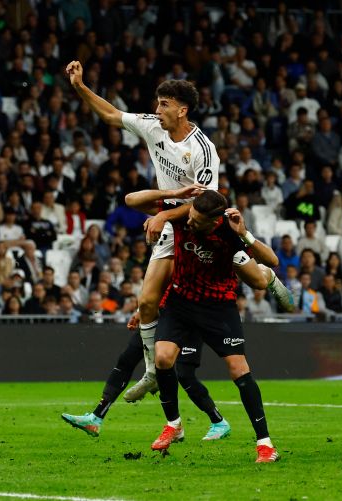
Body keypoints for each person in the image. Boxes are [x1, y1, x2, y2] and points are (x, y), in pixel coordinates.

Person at [66, 60, 293, 402]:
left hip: (205, 224)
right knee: (145, 302)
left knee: (257, 281)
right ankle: (151, 373)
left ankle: (268, 277)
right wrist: (80, 87)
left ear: (183, 110)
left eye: (165, 104)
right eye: (158, 103)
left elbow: (208, 202)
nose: (157, 110)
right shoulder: (153, 126)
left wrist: (162, 216)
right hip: (175, 225)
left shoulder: (203, 150)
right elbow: (112, 115)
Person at [145, 189, 279, 462]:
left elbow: (272, 259)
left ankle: (265, 444)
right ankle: (174, 424)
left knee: (238, 368)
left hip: (218, 306)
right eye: (190, 215)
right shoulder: (183, 218)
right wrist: (163, 213)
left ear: (213, 220)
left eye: (197, 220)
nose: (191, 223)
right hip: (181, 301)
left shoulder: (230, 233)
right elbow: (132, 200)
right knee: (162, 357)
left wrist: (245, 234)